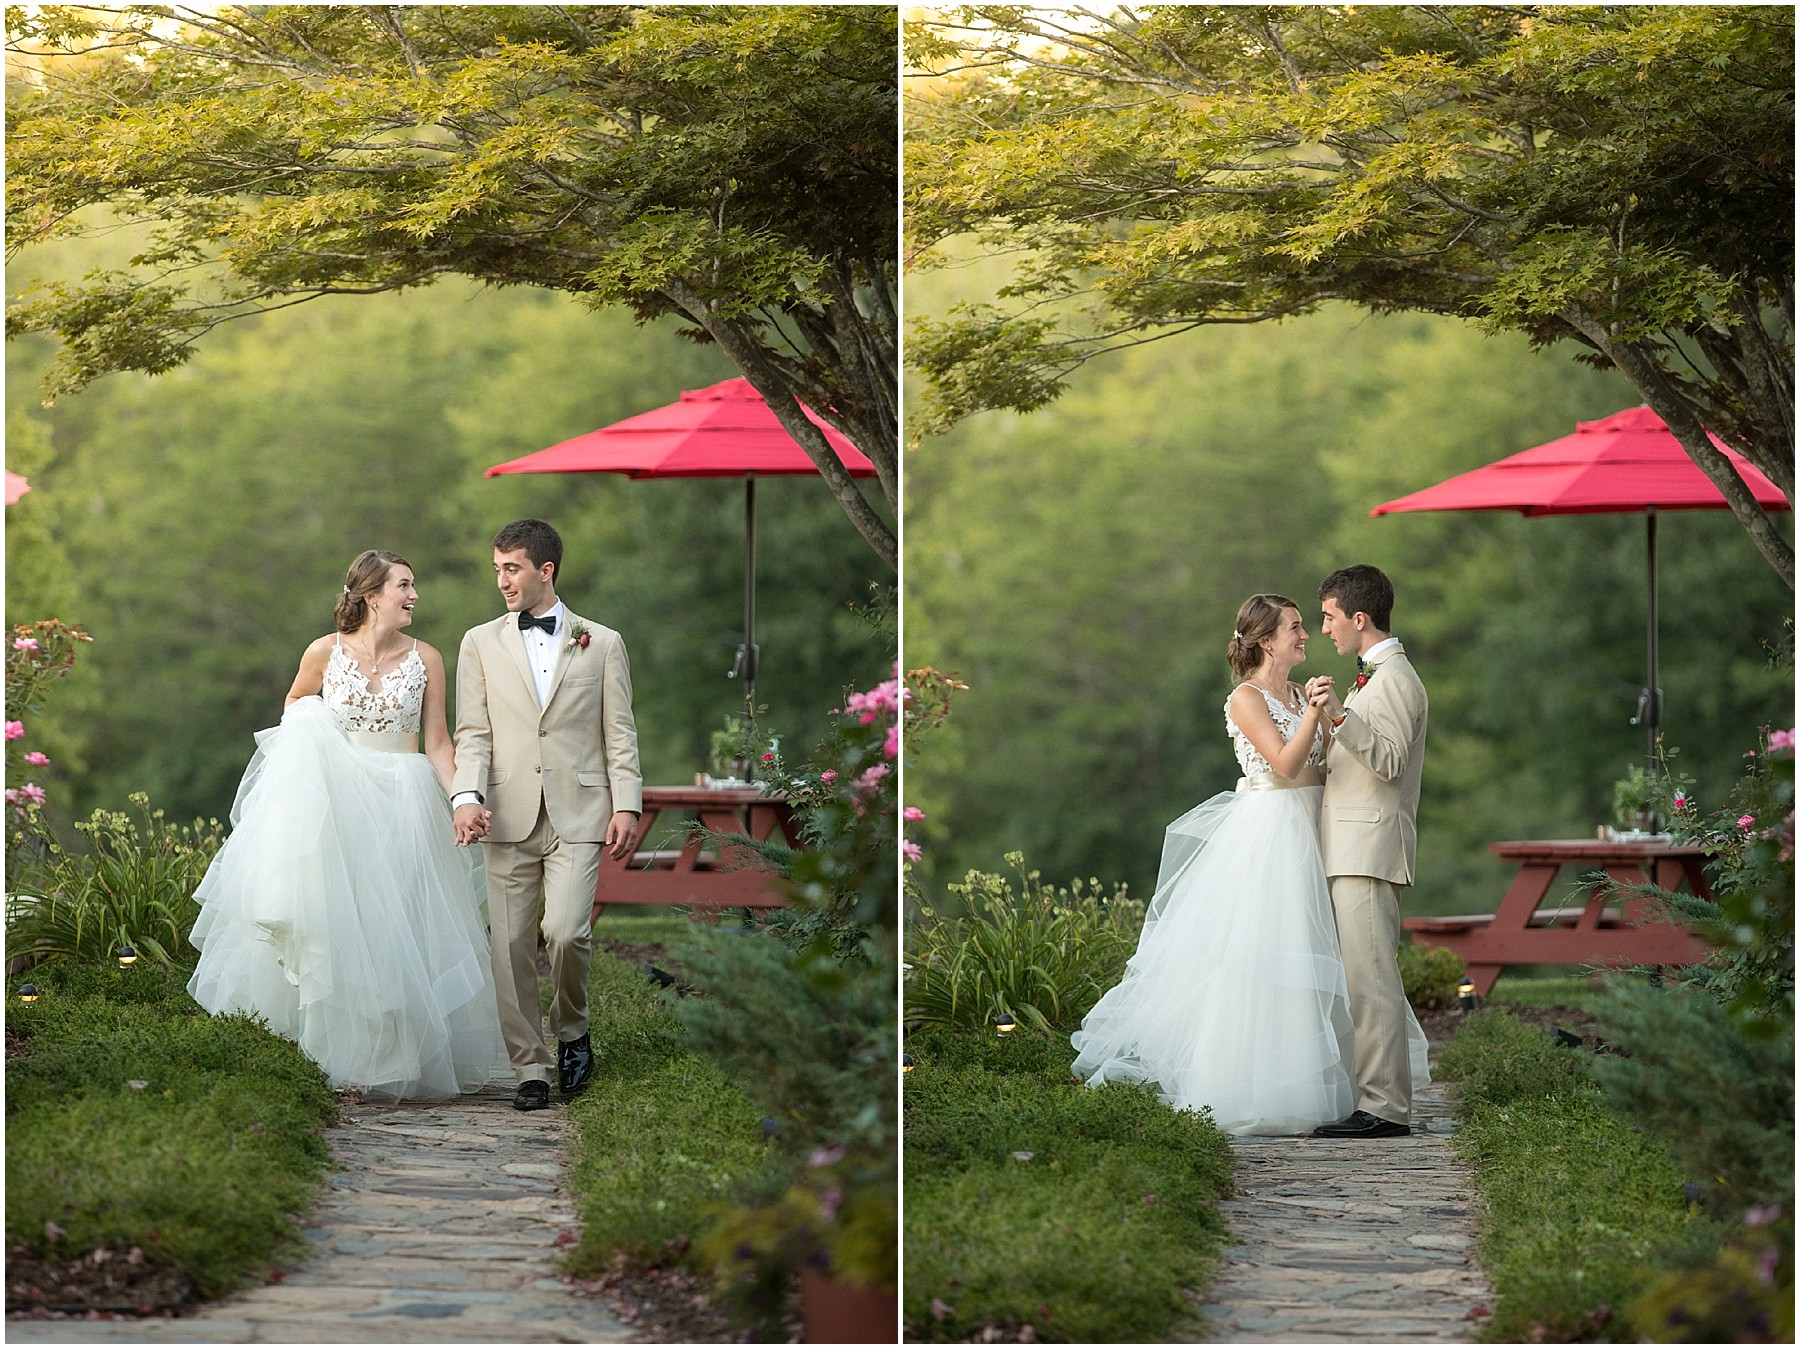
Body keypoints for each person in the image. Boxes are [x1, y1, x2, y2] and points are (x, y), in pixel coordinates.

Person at [1072, 593, 1425, 1135]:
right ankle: (1262, 1089)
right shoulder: (1247, 697)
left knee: (1327, 963)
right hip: (1276, 829)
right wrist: (1316, 713)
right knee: (1270, 960)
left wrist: (1327, 717)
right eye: (1295, 628)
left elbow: (1331, 762)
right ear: (1266, 641)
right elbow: (1285, 764)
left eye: (1309, 625)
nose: (1306, 635)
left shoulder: (1298, 691)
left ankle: (1341, 1091)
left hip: (1318, 825)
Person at [188, 550, 509, 1100]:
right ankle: (339, 1060)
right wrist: (314, 730)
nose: (413, 595)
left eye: (413, 585)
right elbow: (296, 708)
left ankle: (392, 1059)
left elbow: (438, 742)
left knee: (399, 927)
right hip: (338, 800)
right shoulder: (322, 652)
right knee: (344, 924)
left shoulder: (426, 657)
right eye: (404, 585)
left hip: (405, 801)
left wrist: (462, 799)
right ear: (370, 595)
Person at [450, 519, 642, 1113]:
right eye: (497, 569)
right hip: (505, 812)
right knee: (508, 944)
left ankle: (573, 1031)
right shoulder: (478, 643)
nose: (502, 580)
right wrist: (466, 797)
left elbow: (620, 730)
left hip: (580, 811)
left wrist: (627, 802)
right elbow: (473, 733)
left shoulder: (601, 642)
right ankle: (529, 1066)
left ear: (545, 570)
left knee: (566, 931)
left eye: (512, 568)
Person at [1304, 564, 1431, 1139]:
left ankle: (1384, 1109)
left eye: (1330, 618)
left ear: (1360, 619)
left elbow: (1388, 762)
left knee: (1372, 980)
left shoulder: (1398, 679)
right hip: (1350, 847)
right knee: (1364, 978)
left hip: (1369, 849)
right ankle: (1376, 1100)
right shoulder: (1372, 678)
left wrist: (1337, 715)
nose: (1324, 629)